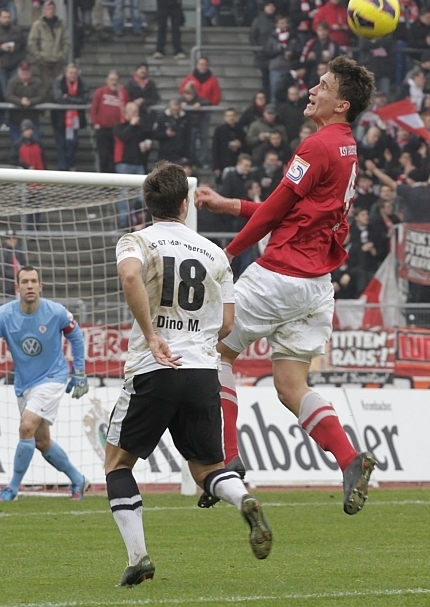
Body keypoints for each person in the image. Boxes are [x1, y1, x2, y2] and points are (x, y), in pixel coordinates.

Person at [193, 56, 378, 514]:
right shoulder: (345, 147)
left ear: (342, 103)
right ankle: (349, 459)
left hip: (279, 276)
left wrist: (229, 251)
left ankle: (227, 459)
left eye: (324, 86)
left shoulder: (316, 146)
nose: (313, 90)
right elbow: (291, 209)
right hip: (316, 287)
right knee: (291, 386)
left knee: (213, 351)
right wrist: (229, 204)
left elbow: (277, 209)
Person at [109, 164, 272, 588]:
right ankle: (243, 497)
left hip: (155, 367)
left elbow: (130, 275)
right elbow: (227, 324)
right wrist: (195, 335)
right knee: (207, 469)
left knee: (118, 463)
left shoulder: (137, 240)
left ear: (148, 204)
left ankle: (138, 557)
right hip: (202, 373)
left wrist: (153, 335)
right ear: (185, 204)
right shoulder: (214, 253)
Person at [0, 266, 91, 503]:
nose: (29, 285)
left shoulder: (56, 312)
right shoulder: (4, 315)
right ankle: (78, 479)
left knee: (26, 427)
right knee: (42, 441)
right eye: (25, 281)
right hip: (24, 383)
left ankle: (11, 489)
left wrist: (79, 371)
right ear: (17, 287)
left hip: (53, 377)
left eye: (33, 281)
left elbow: (76, 337)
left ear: (40, 286)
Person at [51, 63, 90, 171]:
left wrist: (67, 97)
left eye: (75, 73)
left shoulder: (82, 83)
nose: (73, 75)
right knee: (61, 144)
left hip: (75, 119)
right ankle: (63, 168)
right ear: (66, 73)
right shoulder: (59, 81)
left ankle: (70, 163)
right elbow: (58, 98)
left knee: (73, 142)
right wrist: (75, 99)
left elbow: (84, 99)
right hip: (59, 118)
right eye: (71, 72)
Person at [28, 0, 70, 97]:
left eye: (52, 9)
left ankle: (58, 102)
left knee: (59, 84)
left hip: (58, 59)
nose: (50, 11)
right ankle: (44, 104)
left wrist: (62, 55)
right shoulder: (38, 25)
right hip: (43, 60)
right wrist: (38, 55)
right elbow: (32, 42)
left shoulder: (61, 25)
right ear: (44, 10)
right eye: (48, 9)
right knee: (44, 85)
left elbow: (67, 42)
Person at [90, 70, 128, 173]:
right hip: (103, 129)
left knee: (114, 157)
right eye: (112, 80)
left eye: (116, 80)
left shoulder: (122, 94)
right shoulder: (100, 92)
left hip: (117, 130)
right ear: (107, 80)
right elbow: (93, 110)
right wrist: (96, 123)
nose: (114, 82)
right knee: (103, 156)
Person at [5, 60, 44, 144]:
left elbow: (41, 97)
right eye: (22, 70)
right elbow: (8, 96)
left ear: (30, 71)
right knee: (16, 144)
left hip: (32, 119)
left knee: (35, 143)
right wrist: (20, 101)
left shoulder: (37, 82)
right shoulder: (12, 82)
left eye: (27, 70)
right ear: (18, 71)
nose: (24, 72)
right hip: (16, 119)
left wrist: (30, 101)